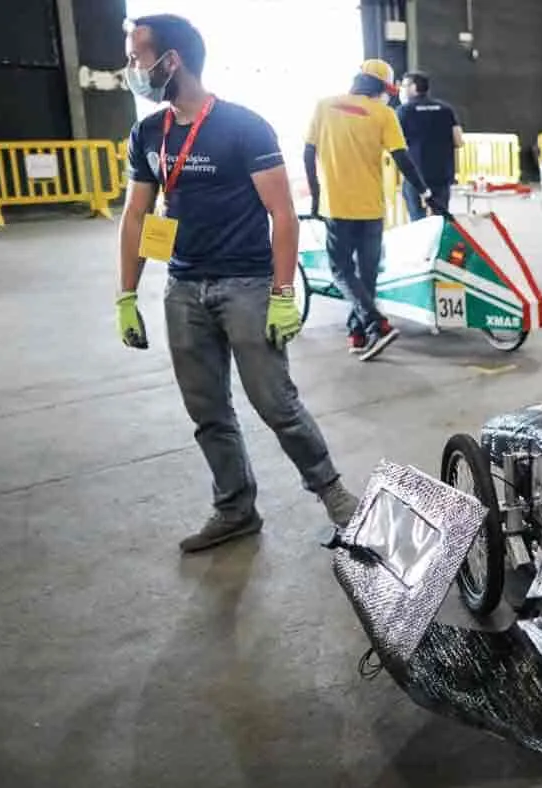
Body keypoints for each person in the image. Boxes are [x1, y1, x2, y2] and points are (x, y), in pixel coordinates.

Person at [116, 14, 359, 552]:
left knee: (276, 403)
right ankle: (235, 508)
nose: (132, 69)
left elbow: (283, 214)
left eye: (137, 57)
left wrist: (282, 294)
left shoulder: (243, 127)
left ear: (170, 60)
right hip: (184, 290)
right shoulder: (147, 133)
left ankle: (333, 492)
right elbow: (136, 215)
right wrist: (127, 294)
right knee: (207, 410)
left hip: (246, 286)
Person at [303, 59, 440, 360]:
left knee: (340, 270)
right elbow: (403, 158)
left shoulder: (324, 107)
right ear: (382, 88)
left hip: (336, 205)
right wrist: (426, 193)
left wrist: (315, 198)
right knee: (366, 275)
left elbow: (308, 153)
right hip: (372, 209)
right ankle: (359, 333)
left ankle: (375, 324)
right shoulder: (383, 114)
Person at [397, 70, 463, 221]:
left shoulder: (404, 111)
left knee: (418, 219)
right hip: (442, 173)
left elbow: (396, 143)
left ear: (413, 87)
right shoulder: (446, 109)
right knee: (440, 218)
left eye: (404, 86)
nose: (402, 90)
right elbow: (459, 141)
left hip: (416, 174)